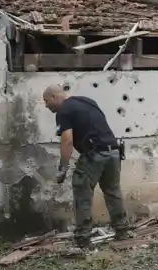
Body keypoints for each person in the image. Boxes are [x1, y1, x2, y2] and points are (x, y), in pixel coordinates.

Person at [42, 84, 132, 248]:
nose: (46, 105)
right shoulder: (88, 101)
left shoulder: (64, 111)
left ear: (55, 96)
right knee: (113, 192)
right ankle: (122, 231)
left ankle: (83, 239)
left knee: (82, 193)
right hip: (113, 152)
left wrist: (63, 167)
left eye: (46, 101)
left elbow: (67, 139)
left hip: (94, 154)